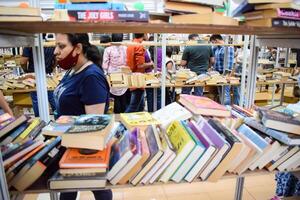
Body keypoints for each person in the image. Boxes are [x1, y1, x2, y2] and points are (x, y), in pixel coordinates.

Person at [53, 33, 111, 200]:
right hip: (68, 143)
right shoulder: (72, 71)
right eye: (56, 46)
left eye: (61, 46)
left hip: (83, 149)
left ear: (78, 48)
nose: (56, 51)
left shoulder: (91, 77)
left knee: (96, 187)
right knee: (72, 190)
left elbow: (93, 126)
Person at [20, 35, 56, 117]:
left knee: (36, 99)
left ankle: (39, 120)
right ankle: (59, 118)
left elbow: (23, 62)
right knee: (52, 97)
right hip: (48, 74)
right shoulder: (50, 43)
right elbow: (56, 59)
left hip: (34, 75)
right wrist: (52, 68)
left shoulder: (29, 44)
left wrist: (26, 71)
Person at [102, 33, 130, 113]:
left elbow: (105, 65)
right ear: (122, 39)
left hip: (112, 77)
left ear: (112, 38)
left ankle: (117, 117)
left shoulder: (108, 49)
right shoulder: (126, 48)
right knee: (124, 100)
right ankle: (123, 117)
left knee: (114, 100)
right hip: (124, 76)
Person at [125, 33, 153, 112]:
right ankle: (122, 122)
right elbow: (140, 65)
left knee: (140, 107)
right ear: (144, 34)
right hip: (138, 79)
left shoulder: (131, 44)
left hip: (132, 76)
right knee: (133, 106)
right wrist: (151, 64)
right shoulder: (138, 46)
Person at [210, 34, 234, 105]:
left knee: (225, 94)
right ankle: (223, 109)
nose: (212, 44)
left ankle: (226, 110)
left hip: (224, 74)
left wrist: (225, 76)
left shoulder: (228, 48)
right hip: (218, 74)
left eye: (213, 42)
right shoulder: (217, 48)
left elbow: (229, 65)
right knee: (221, 93)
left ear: (216, 41)